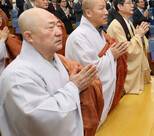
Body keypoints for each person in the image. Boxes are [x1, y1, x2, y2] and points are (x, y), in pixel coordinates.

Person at [0, 8, 101, 136]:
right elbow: (44, 119)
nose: (59, 32)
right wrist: (74, 87)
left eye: (58, 26)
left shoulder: (59, 60)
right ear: (29, 36)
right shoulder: (16, 76)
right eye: (50, 28)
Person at [66, 0, 128, 128]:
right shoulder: (78, 37)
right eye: (101, 9)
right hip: (89, 97)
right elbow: (90, 70)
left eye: (106, 8)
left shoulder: (100, 33)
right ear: (88, 13)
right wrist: (111, 55)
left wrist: (113, 55)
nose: (107, 12)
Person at [107, 0, 151, 94]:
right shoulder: (115, 26)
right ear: (120, 6)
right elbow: (127, 50)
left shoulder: (129, 23)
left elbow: (138, 43)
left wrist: (141, 35)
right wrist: (138, 36)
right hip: (123, 71)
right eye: (129, 3)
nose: (133, 5)